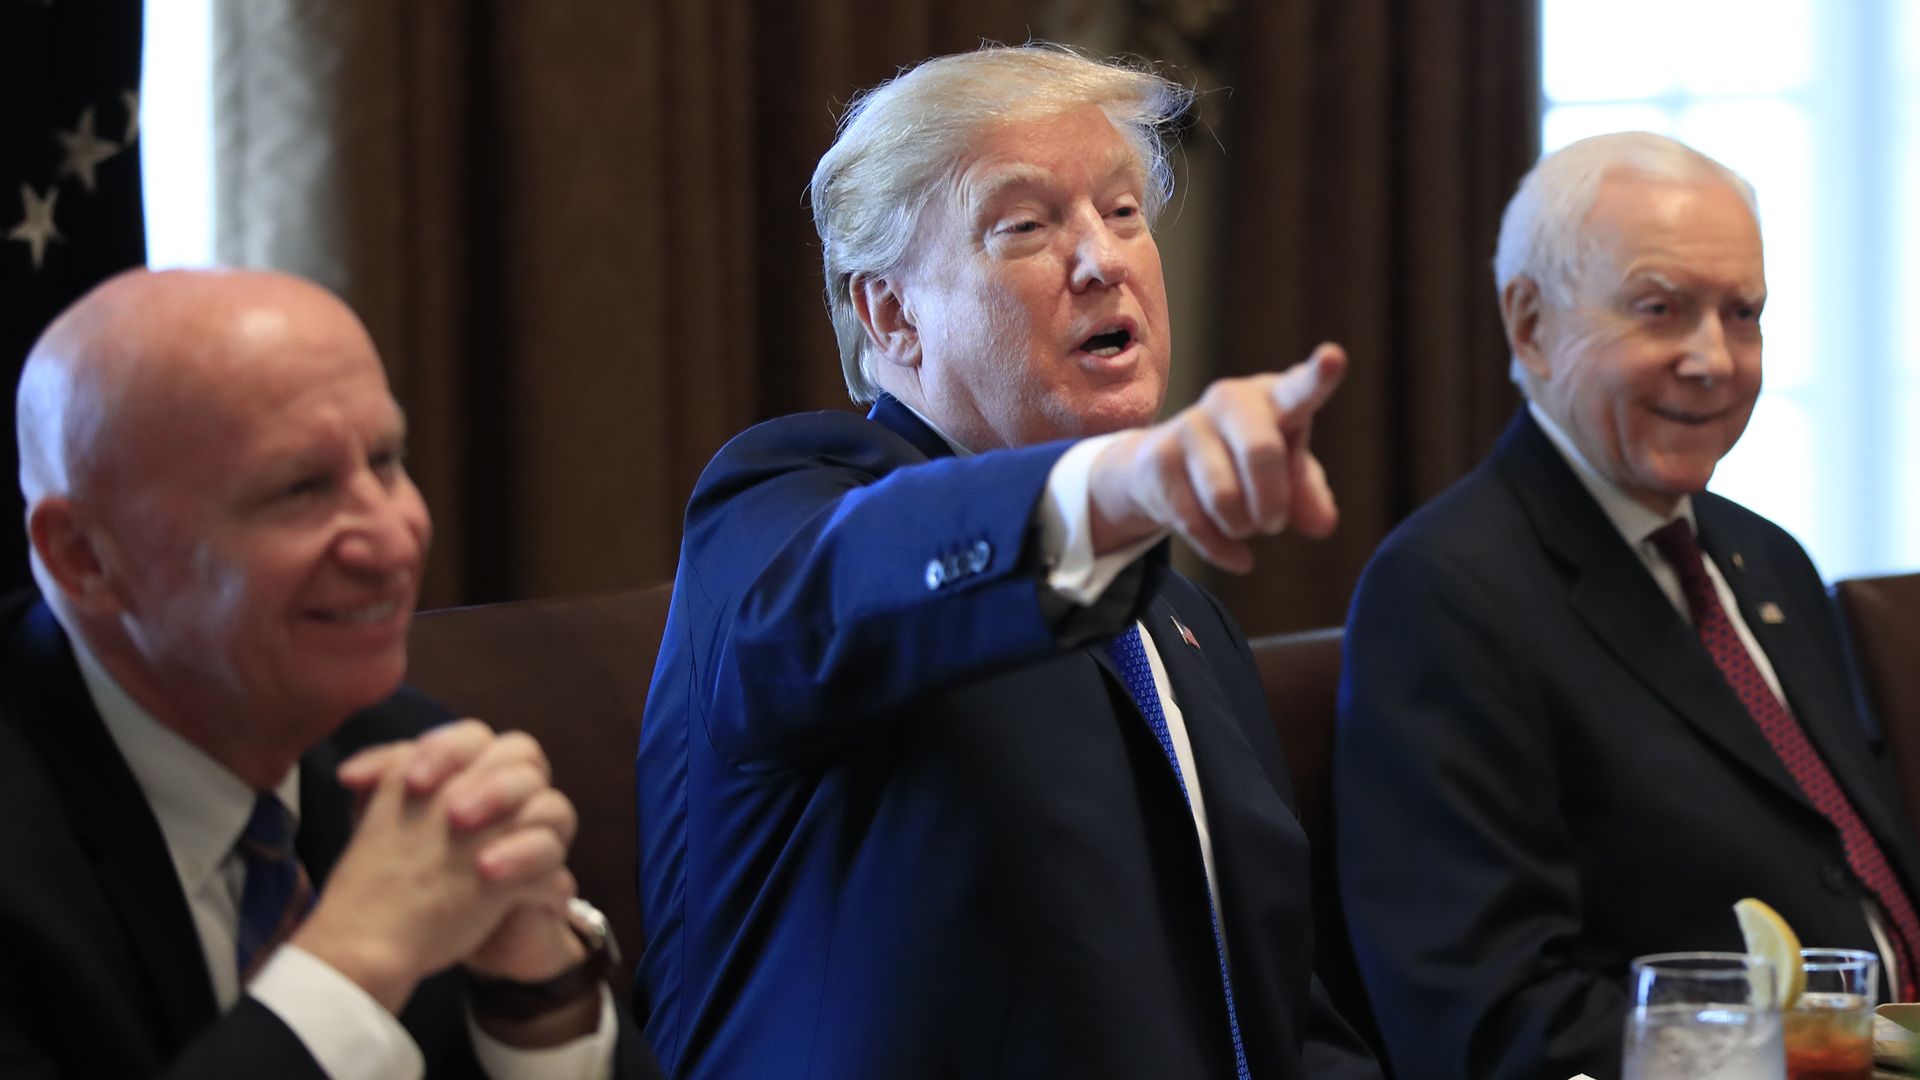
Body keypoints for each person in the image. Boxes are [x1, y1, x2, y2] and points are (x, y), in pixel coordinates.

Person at [634, 43, 1381, 1080]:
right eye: (1025, 226)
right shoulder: (784, 507)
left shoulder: (1182, 628)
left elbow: (1273, 1010)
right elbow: (834, 597)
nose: (1103, 259)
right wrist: (1120, 486)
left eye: (1124, 214)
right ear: (890, 314)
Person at [1335, 131, 1920, 1079]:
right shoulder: (1447, 594)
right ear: (1529, 324)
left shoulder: (1768, 560)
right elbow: (1491, 1015)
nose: (1714, 360)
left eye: (1743, 314)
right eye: (1660, 310)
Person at [1, 267, 661, 1078]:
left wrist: (536, 1000)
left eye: (385, 462)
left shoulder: (415, 755)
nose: (394, 540)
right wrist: (355, 956)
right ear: (84, 558)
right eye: (300, 489)